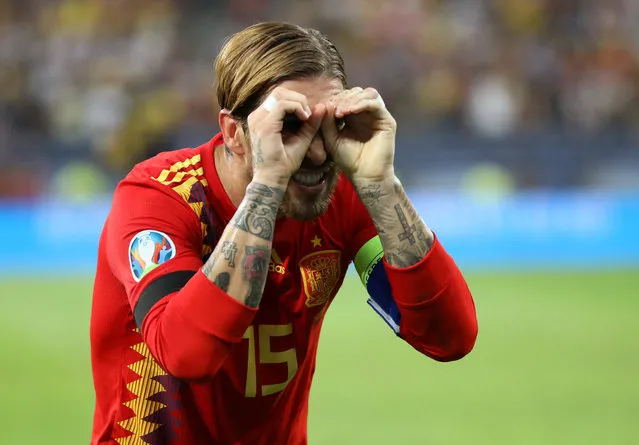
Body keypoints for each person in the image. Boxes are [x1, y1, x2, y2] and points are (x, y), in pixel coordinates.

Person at [90, 21, 478, 445]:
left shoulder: (342, 197)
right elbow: (187, 353)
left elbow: (449, 337)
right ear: (234, 133)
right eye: (290, 125)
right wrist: (270, 181)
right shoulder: (158, 197)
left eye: (331, 123)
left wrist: (380, 184)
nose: (314, 150)